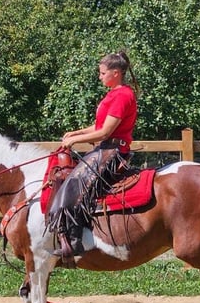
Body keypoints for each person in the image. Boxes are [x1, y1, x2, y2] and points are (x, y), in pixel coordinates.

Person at [46, 50, 139, 267]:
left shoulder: (123, 95)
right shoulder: (114, 93)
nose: (100, 77)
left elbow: (105, 132)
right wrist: (76, 133)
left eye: (103, 73)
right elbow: (99, 127)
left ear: (116, 73)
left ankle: (76, 240)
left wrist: (75, 142)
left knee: (73, 185)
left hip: (112, 151)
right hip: (105, 149)